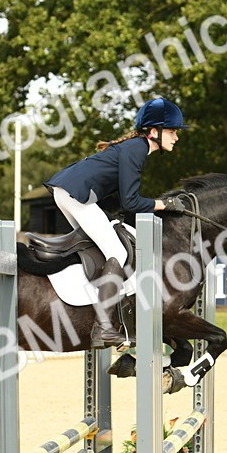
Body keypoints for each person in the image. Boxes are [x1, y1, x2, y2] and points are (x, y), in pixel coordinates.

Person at [44, 97, 189, 347]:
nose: (176, 137)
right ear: (154, 132)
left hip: (69, 192)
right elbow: (131, 203)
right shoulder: (137, 149)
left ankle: (89, 309)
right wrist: (164, 204)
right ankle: (104, 328)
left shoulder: (135, 147)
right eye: (172, 131)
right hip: (76, 195)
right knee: (117, 253)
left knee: (99, 249)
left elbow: (119, 199)